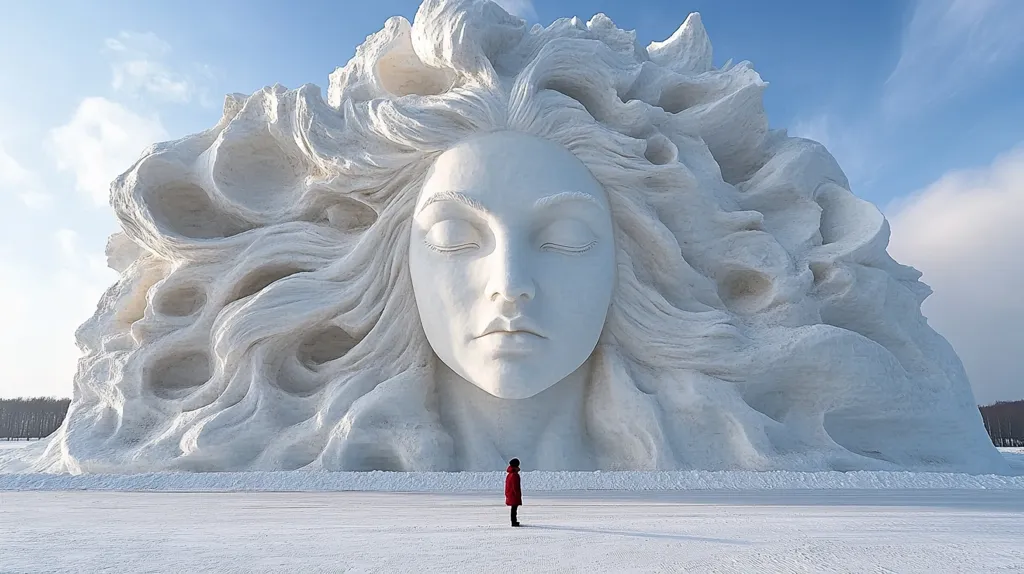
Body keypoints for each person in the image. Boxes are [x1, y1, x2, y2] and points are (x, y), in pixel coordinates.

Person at [505, 458, 522, 527]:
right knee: (514, 509)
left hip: (510, 493)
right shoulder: (514, 474)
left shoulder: (510, 474)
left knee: (513, 508)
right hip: (513, 494)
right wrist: (517, 494)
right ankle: (514, 522)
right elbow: (515, 486)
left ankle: (514, 521)